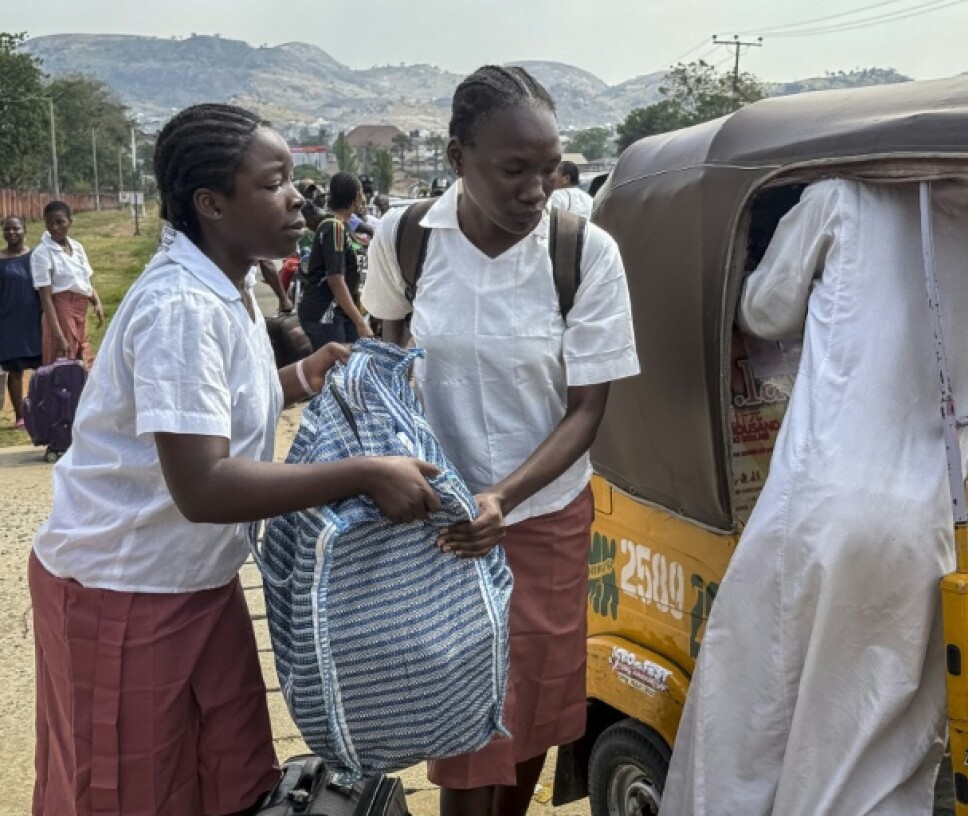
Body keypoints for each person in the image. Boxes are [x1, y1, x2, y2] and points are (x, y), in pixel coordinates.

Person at [28, 102, 442, 816]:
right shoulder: (181, 306)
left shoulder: (232, 289)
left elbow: (210, 415)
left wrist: (304, 376)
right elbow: (204, 484)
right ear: (211, 204)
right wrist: (367, 475)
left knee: (229, 782)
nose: (295, 198)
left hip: (198, 585)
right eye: (274, 182)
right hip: (125, 594)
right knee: (133, 795)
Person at [661, 179, 968, 816]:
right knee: (867, 744)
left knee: (753, 724)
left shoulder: (841, 200)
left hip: (821, 504)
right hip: (927, 522)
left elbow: (764, 311)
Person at [363, 65, 639, 816]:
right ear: (458, 159)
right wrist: (424, 482)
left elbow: (587, 410)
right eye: (514, 170)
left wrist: (503, 498)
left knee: (529, 718)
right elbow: (389, 363)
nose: (535, 190)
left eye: (548, 170)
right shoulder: (406, 240)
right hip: (440, 531)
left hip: (543, 519)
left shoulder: (584, 255)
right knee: (469, 728)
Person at [297, 171, 373, 349]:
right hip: (326, 313)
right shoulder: (334, 228)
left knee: (350, 366)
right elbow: (336, 280)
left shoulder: (341, 227)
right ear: (355, 197)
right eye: (361, 193)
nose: (363, 198)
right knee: (335, 371)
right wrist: (360, 323)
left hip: (340, 312)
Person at [30, 201, 104, 366]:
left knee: (81, 359)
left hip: (80, 309)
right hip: (60, 311)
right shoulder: (42, 253)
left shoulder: (77, 247)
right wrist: (59, 336)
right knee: (63, 364)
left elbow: (85, 280)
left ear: (70, 221)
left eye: (60, 222)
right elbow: (46, 298)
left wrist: (96, 302)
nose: (54, 227)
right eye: (49, 223)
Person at [0, 216, 41, 428]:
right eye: (7, 229)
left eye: (16, 228)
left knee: (40, 369)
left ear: (25, 230)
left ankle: (41, 409)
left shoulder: (36, 256)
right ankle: (20, 416)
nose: (11, 232)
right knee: (14, 370)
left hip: (34, 320)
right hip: (8, 323)